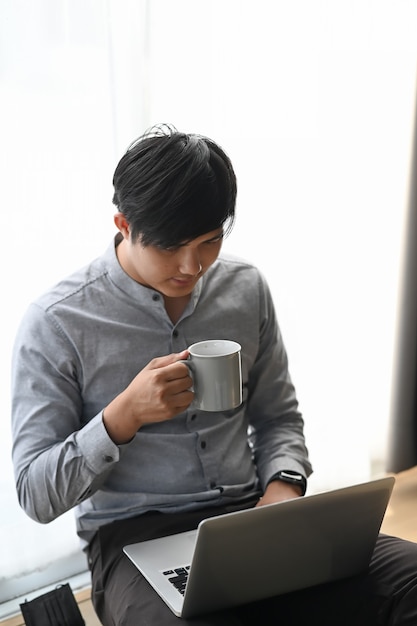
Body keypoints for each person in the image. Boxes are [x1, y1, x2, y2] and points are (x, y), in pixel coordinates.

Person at [11, 123, 417, 625]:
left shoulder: (244, 288)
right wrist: (123, 416)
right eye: (170, 247)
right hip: (135, 538)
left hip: (250, 515)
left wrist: (283, 490)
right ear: (123, 223)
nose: (191, 265)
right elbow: (35, 493)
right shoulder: (57, 323)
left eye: (208, 242)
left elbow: (279, 419)